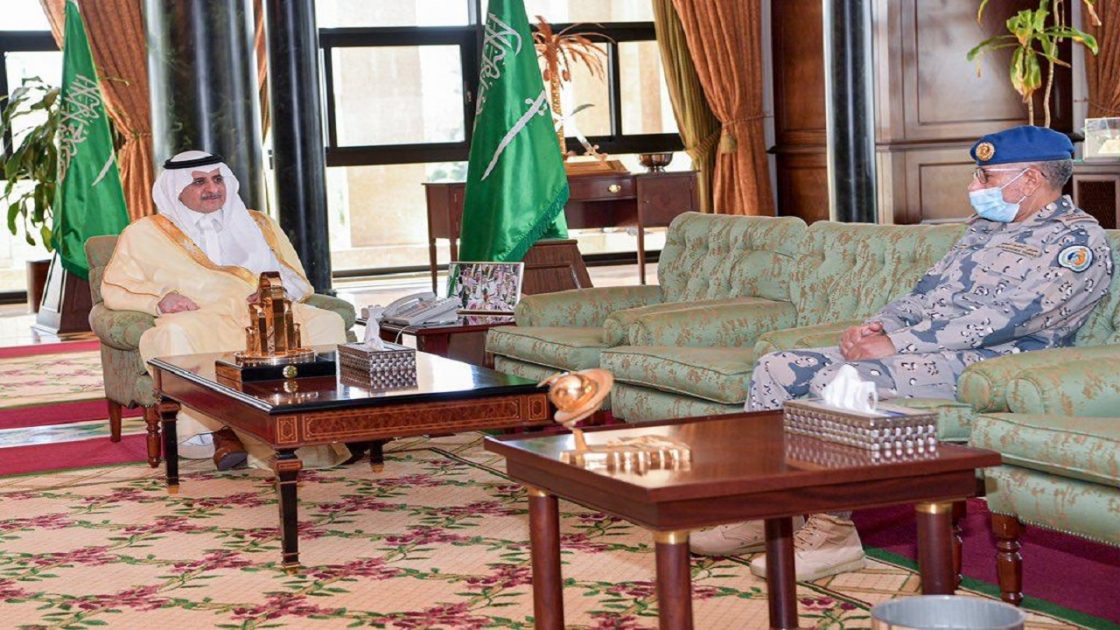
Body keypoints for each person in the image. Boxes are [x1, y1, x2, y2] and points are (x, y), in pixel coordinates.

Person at [691, 125, 1113, 582]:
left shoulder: (1075, 242)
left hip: (996, 365)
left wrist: (897, 344)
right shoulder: (985, 227)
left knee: (845, 381)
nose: (976, 186)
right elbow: (927, 293)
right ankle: (772, 511)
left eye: (987, 176)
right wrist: (879, 326)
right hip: (927, 350)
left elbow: (1007, 319)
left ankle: (833, 533)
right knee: (776, 367)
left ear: (1030, 179)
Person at [101, 150, 351, 470]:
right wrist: (159, 301)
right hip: (200, 315)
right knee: (174, 333)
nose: (212, 188)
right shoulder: (144, 233)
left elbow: (296, 280)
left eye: (217, 179)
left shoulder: (259, 224)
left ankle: (324, 421)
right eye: (199, 182)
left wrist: (272, 292)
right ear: (175, 189)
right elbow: (116, 287)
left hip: (261, 313)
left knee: (326, 322)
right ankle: (217, 431)